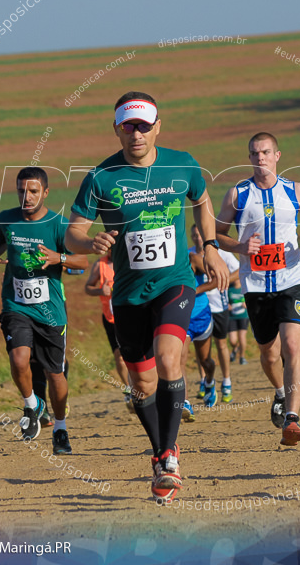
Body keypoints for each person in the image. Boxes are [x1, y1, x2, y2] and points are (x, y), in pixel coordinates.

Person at [65, 92, 229, 502]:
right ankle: (159, 454)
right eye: (127, 126)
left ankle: (171, 456)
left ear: (158, 126)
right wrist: (89, 242)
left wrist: (209, 244)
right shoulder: (101, 178)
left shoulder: (182, 164)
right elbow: (72, 231)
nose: (135, 133)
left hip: (174, 281)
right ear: (117, 129)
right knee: (140, 381)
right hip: (128, 293)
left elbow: (202, 201)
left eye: (142, 125)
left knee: (169, 357)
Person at [215, 132, 300, 446]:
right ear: (249, 158)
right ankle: (279, 392)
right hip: (256, 284)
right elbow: (218, 234)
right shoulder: (237, 195)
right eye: (254, 153)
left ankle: (292, 417)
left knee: (291, 346)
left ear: (277, 155)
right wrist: (239, 246)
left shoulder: (295, 190)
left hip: (293, 279)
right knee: (269, 352)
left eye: (265, 152)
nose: (259, 158)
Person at [0, 167, 86, 454]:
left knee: (55, 373)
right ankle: (33, 405)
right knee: (19, 360)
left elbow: (82, 261)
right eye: (21, 191)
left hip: (50, 312)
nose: (26, 197)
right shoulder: (7, 217)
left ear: (45, 192)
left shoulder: (59, 224)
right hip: (15, 305)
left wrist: (59, 257)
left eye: (32, 191)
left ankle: (60, 428)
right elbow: (1, 239)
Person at [190, 225, 240, 405]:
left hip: (219, 305)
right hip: (198, 307)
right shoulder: (190, 255)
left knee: (221, 344)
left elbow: (238, 271)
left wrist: (223, 281)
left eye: (200, 235)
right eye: (194, 235)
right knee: (200, 347)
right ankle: (205, 382)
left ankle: (226, 382)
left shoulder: (221, 253)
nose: (197, 238)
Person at [84, 255, 134, 411]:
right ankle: (129, 390)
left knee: (137, 353)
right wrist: (100, 290)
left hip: (132, 314)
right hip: (111, 318)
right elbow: (88, 287)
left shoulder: (130, 257)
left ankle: (145, 387)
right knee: (119, 356)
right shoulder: (100, 264)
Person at [227, 281, 249, 365]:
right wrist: (228, 305)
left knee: (242, 337)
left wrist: (246, 303)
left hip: (243, 316)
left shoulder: (245, 287)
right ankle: (235, 348)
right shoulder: (229, 289)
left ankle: (242, 357)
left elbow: (250, 299)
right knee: (232, 340)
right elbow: (225, 301)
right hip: (232, 316)